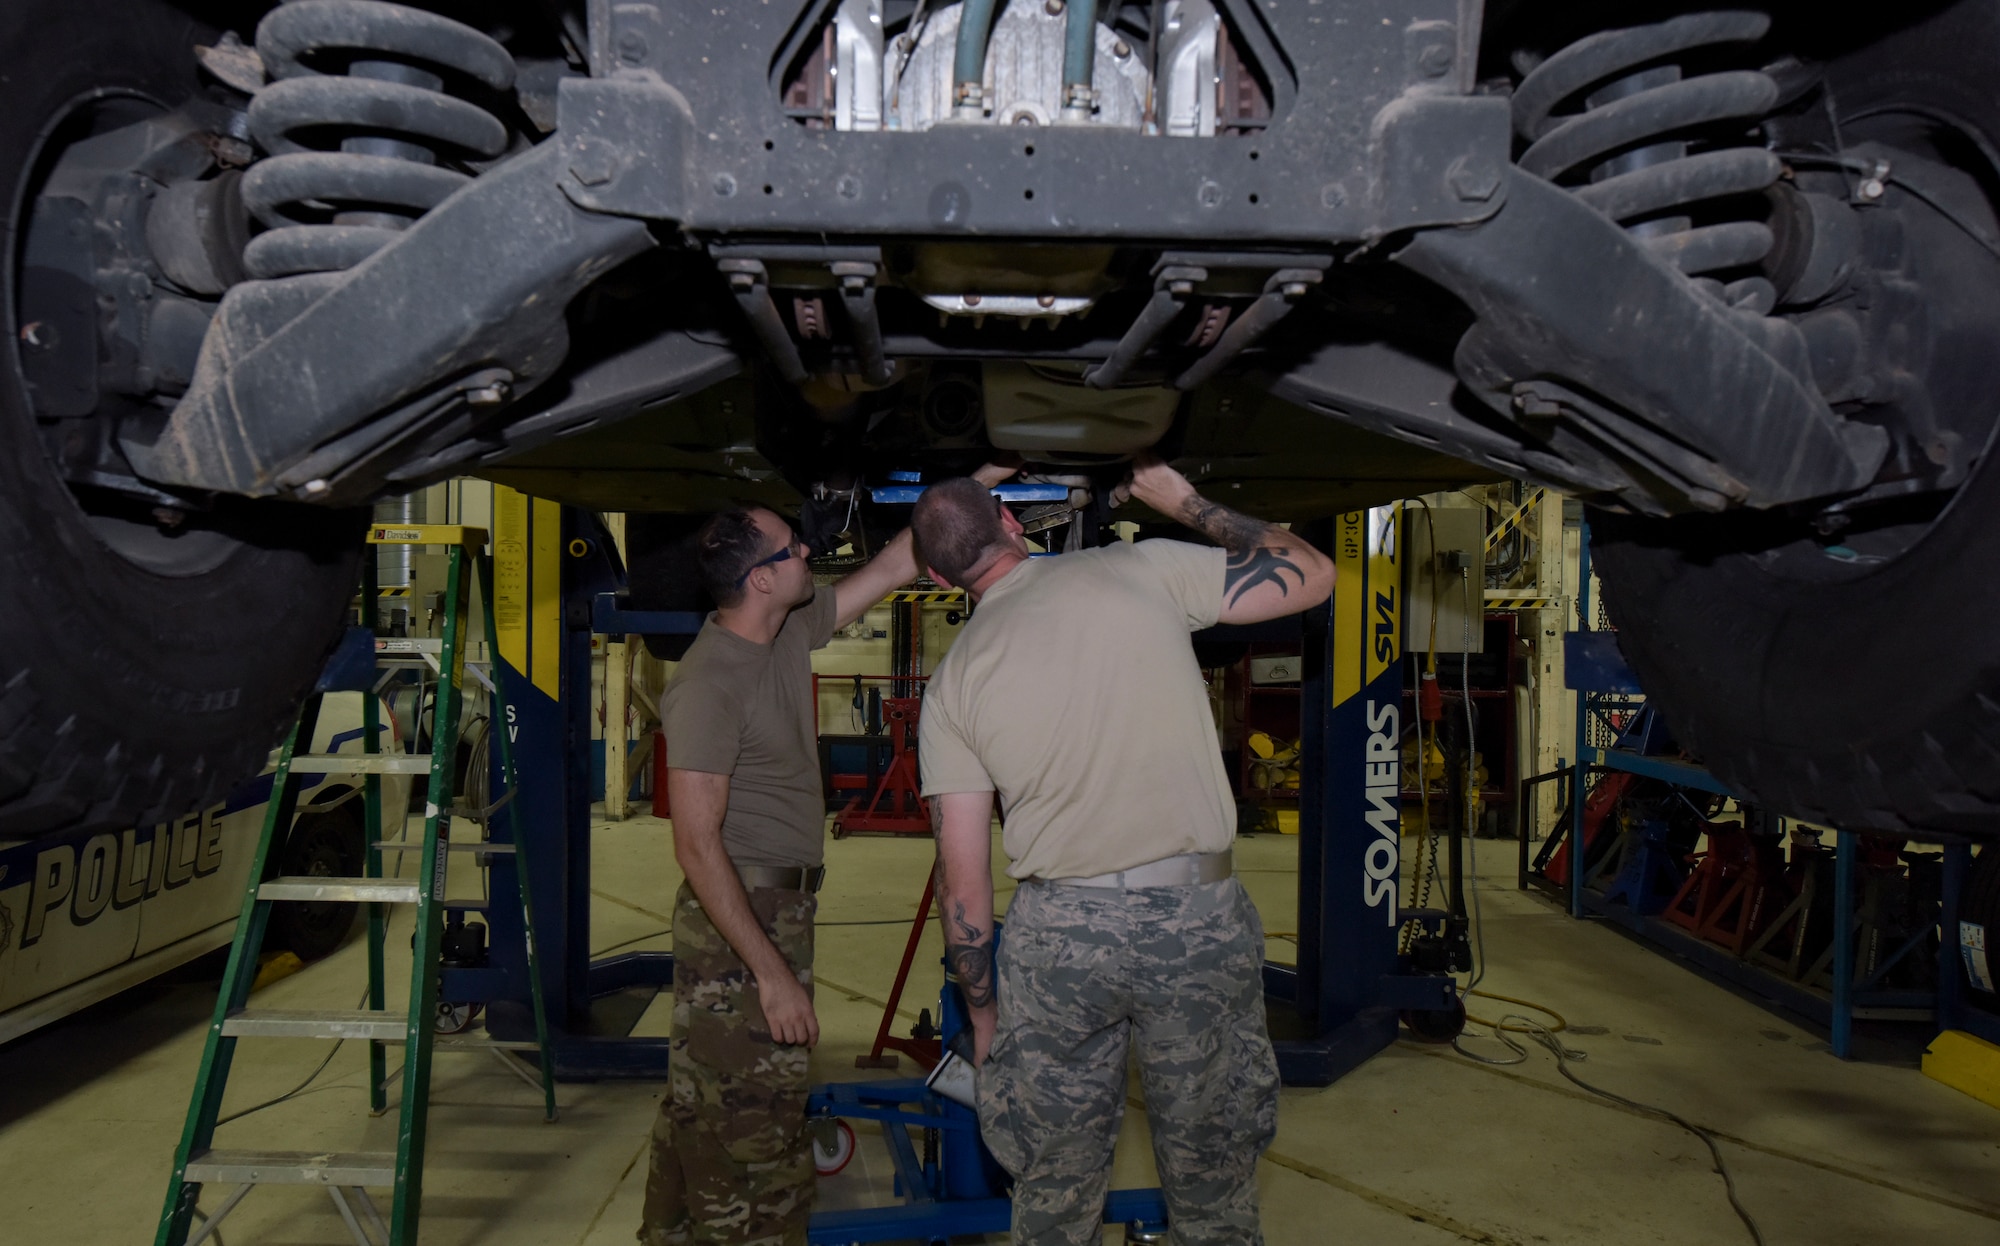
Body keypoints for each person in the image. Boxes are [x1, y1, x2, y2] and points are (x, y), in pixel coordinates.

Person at [912, 455, 1335, 1246]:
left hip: (1060, 937)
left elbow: (961, 885)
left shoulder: (954, 684)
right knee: (1213, 1178)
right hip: (1196, 922)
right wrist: (1187, 502)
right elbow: (1310, 573)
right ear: (1013, 524)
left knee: (1052, 1190)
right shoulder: (1140, 568)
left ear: (940, 581)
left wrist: (985, 1014)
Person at [642, 464, 1014, 1246]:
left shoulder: (784, 631)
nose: (808, 551)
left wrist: (974, 483)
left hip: (772, 907)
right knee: (755, 1130)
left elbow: (889, 566)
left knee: (706, 1104)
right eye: (790, 549)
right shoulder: (710, 683)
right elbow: (694, 841)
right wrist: (772, 977)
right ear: (758, 578)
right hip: (739, 923)